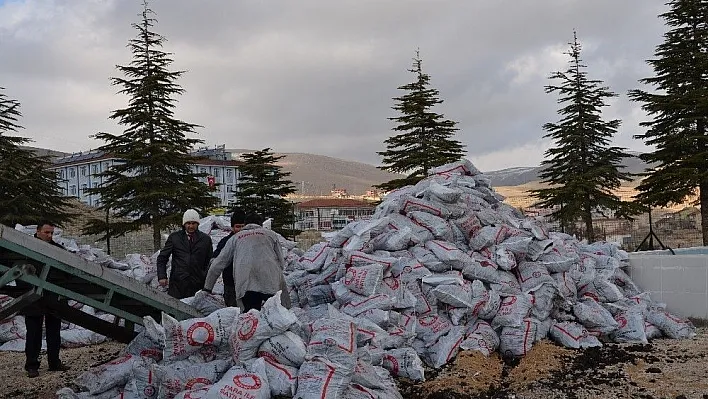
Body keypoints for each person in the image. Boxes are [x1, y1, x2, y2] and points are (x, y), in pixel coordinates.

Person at [202, 212, 289, 311]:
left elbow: (218, 264)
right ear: (261, 224)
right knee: (275, 313)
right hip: (269, 281)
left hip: (246, 284)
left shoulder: (235, 238)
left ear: (245, 224)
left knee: (250, 316)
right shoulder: (271, 235)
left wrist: (207, 288)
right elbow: (281, 260)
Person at [21, 221, 69, 378]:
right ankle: (32, 366)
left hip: (52, 297)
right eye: (46, 232)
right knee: (33, 333)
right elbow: (20, 271)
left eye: (51, 233)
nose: (49, 236)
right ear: (37, 231)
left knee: (54, 331)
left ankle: (54, 362)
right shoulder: (26, 248)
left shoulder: (58, 251)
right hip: (33, 297)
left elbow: (65, 273)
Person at [156, 209, 213, 299]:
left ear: (198, 224)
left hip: (197, 284)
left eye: (193, 223)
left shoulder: (205, 240)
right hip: (178, 284)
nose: (191, 226)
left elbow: (208, 261)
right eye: (188, 223)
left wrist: (205, 278)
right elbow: (162, 258)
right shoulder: (175, 238)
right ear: (184, 224)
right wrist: (162, 276)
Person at [212, 207, 247, 307]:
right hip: (230, 286)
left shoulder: (251, 242)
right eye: (237, 226)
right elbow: (216, 258)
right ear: (232, 227)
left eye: (242, 226)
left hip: (247, 286)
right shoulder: (225, 242)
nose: (240, 230)